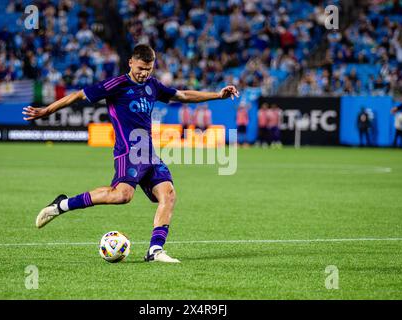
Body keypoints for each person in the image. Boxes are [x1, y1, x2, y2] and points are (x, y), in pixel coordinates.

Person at [22, 44, 240, 263]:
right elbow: (79, 96)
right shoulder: (116, 84)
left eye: (149, 68)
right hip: (128, 152)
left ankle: (155, 250)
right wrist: (46, 110)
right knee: (122, 195)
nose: (144, 73)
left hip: (150, 154)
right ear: (131, 63)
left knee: (169, 194)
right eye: (141, 68)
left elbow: (182, 95)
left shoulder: (153, 85)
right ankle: (61, 205)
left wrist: (217, 95)